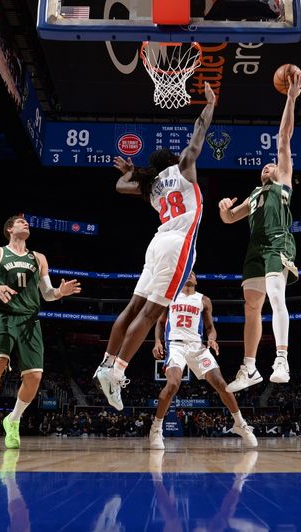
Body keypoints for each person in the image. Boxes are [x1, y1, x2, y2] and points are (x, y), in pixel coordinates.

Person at [94, 82, 216, 410]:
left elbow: (121, 186)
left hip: (156, 243)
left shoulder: (151, 187)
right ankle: (117, 372)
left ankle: (107, 363)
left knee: (133, 307)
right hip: (178, 245)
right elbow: (198, 134)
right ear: (173, 159)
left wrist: (135, 172)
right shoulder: (184, 168)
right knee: (152, 313)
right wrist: (210, 106)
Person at [218, 70, 301, 392]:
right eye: (264, 166)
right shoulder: (254, 195)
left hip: (278, 243)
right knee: (251, 307)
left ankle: (281, 359)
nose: (268, 166)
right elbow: (229, 221)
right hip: (254, 250)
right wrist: (225, 211)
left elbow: (283, 138)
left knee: (276, 296)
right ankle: (250, 368)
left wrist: (291, 99)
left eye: (272, 164)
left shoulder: (282, 179)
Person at [0, 215, 81, 452]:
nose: (26, 224)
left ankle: (13, 420)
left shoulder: (39, 258)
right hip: (2, 315)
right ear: (9, 228)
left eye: (27, 223)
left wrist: (60, 292)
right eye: (21, 222)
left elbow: (47, 293)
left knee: (34, 377)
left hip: (30, 320)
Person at [149, 271, 257, 449]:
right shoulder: (170, 296)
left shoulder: (204, 300)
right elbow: (160, 323)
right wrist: (157, 342)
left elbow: (210, 327)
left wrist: (212, 338)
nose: (190, 275)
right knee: (173, 384)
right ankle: (156, 429)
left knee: (222, 384)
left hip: (197, 347)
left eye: (193, 273)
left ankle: (240, 424)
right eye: (187, 273)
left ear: (196, 280)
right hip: (175, 346)